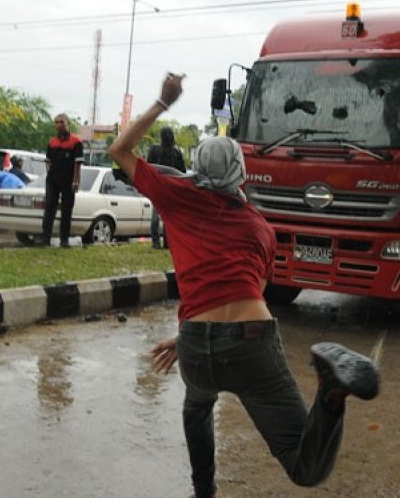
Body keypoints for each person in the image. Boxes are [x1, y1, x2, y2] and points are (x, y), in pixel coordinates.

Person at [108, 73, 380, 498]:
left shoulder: (176, 195)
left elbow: (119, 150)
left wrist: (164, 102)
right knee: (301, 466)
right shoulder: (260, 228)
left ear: (196, 165)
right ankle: (331, 394)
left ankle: (204, 491)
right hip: (251, 343)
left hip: (197, 343)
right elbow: (243, 292)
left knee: (197, 404)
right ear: (241, 174)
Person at [37, 113, 83, 247]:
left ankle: (64, 239)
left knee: (67, 210)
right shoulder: (52, 142)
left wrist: (75, 181)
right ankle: (45, 237)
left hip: (68, 180)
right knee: (50, 207)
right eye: (56, 122)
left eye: (61, 122)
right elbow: (48, 160)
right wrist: (49, 171)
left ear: (67, 123)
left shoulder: (76, 141)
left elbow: (78, 163)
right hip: (53, 180)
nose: (58, 125)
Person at [146, 126, 186, 248]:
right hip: (171, 187)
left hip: (157, 185)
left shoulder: (154, 149)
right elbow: (182, 171)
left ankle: (155, 242)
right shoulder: (177, 152)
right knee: (168, 216)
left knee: (155, 215)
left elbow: (149, 166)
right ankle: (167, 243)